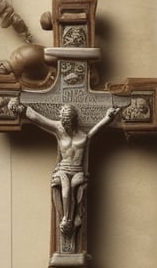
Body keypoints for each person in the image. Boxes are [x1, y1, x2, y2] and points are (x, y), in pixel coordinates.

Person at [10, 99, 121, 236]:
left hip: (77, 171)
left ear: (73, 121)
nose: (64, 125)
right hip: (63, 169)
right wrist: (22, 109)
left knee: (75, 186)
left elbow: (95, 131)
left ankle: (73, 218)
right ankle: (66, 219)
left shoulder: (84, 136)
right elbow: (39, 119)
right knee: (66, 190)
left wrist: (107, 118)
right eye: (63, 121)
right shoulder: (59, 129)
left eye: (67, 122)